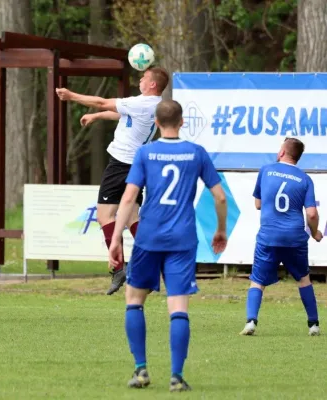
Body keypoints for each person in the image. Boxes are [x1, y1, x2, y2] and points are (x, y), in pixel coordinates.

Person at [109, 100, 228, 392]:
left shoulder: (145, 153)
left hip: (148, 237)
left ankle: (140, 371)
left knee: (134, 300)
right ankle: (176, 376)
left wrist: (115, 238)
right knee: (178, 306)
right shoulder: (196, 153)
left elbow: (128, 198)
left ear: (157, 124)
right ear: (182, 122)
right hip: (182, 239)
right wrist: (220, 230)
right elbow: (220, 197)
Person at [56, 66, 169, 295]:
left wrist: (72, 96)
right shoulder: (149, 104)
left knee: (104, 215)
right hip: (137, 164)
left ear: (153, 85)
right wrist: (97, 116)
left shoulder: (141, 104)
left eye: (144, 78)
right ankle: (155, 262)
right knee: (133, 217)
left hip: (121, 164)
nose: (140, 79)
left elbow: (101, 101)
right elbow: (119, 112)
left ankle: (119, 269)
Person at [240, 138, 322, 337]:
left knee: (257, 281)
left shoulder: (266, 170)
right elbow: (311, 214)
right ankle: (313, 325)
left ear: (283, 152)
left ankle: (251, 321)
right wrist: (315, 232)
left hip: (269, 236)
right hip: (295, 237)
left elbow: (258, 204)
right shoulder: (304, 179)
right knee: (303, 279)